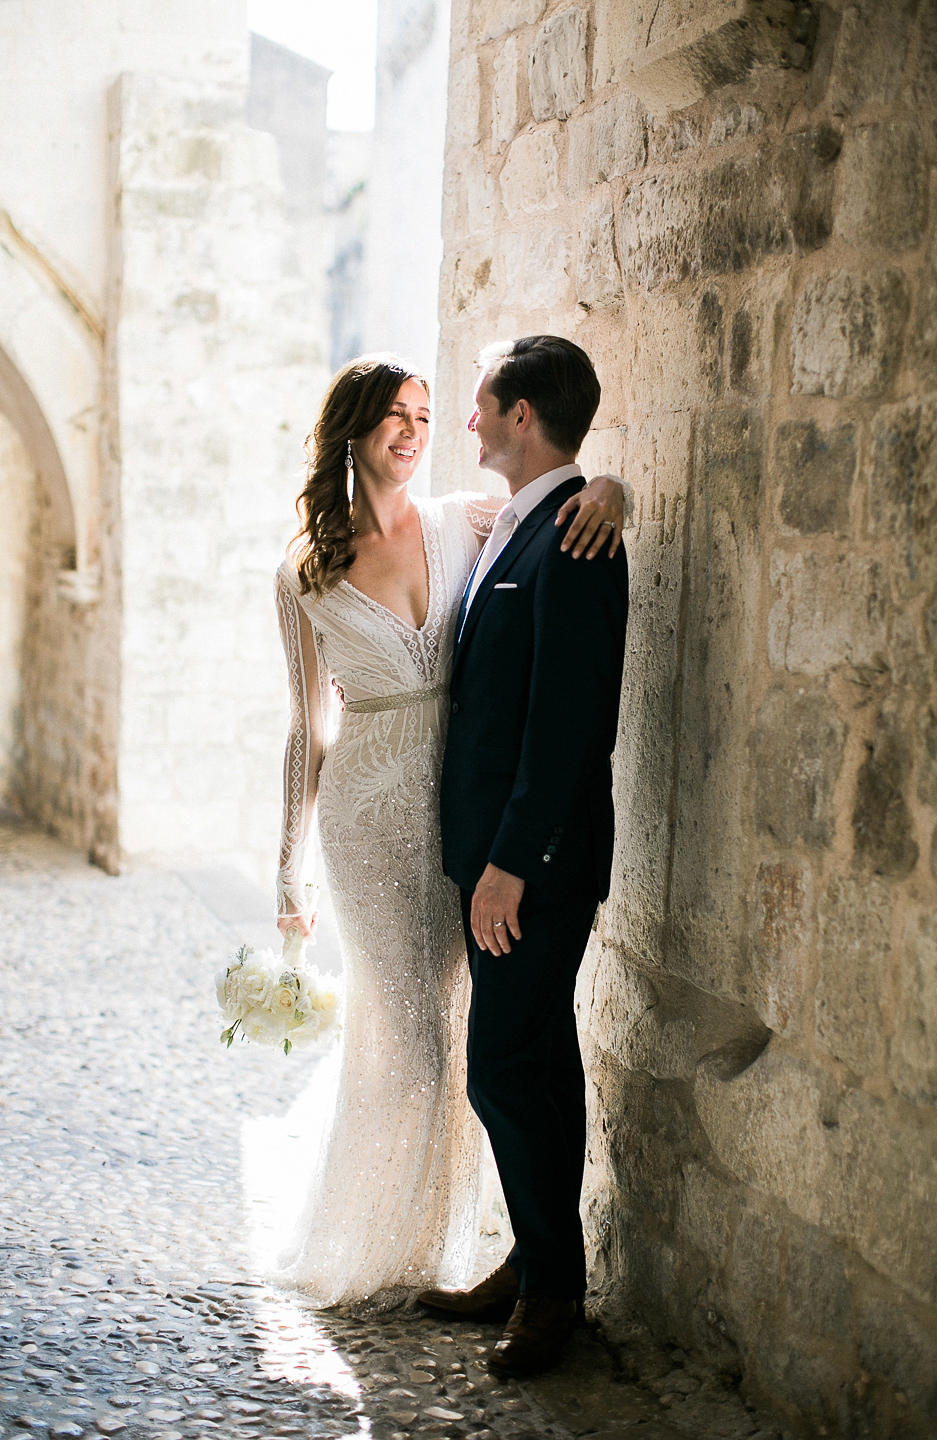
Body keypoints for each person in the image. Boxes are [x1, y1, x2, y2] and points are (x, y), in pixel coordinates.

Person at [272, 352, 628, 1305]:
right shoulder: (305, 571)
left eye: (429, 413)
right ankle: (388, 1236)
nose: (420, 430)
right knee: (406, 1030)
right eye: (397, 413)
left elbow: (563, 505)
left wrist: (617, 489)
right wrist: (286, 873)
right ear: (349, 426)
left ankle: (502, 1257)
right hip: (373, 810)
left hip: (471, 823)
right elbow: (308, 727)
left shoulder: (460, 525)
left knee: (484, 1037)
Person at [419, 336, 629, 1377]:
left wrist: (512, 861)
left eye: (480, 405)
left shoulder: (579, 537)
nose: (467, 422)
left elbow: (569, 725)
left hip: (534, 865)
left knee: (502, 1066)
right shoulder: (523, 520)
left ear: (524, 416)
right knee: (536, 1058)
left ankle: (553, 1295)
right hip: (494, 854)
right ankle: (538, 1258)